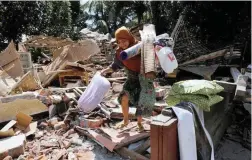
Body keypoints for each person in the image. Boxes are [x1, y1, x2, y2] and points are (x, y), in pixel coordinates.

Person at [101, 26, 156, 132]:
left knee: (141, 102)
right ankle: (125, 120)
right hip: (131, 79)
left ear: (129, 38)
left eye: (124, 41)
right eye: (119, 42)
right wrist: (105, 71)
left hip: (143, 79)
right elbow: (115, 66)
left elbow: (150, 58)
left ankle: (140, 123)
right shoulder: (119, 52)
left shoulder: (140, 47)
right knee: (124, 98)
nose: (122, 44)